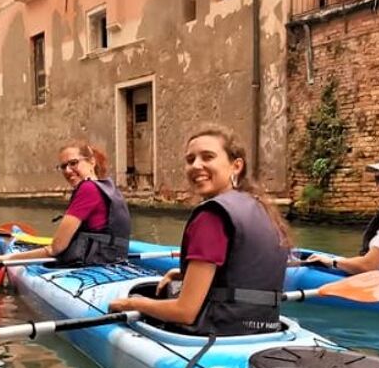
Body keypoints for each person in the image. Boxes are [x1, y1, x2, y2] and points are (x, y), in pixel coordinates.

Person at [108, 125, 290, 336]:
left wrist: (132, 304)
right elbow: (243, 272)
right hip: (266, 327)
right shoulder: (262, 208)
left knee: (143, 299)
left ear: (236, 166)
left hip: (219, 331)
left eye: (208, 157)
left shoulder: (211, 216)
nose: (196, 166)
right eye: (190, 159)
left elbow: (185, 312)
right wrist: (184, 274)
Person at [0, 140, 131, 266]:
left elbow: (55, 249)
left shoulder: (87, 188)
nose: (67, 170)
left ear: (91, 161)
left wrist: (7, 258)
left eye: (73, 163)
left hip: (90, 266)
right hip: (113, 261)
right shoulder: (108, 187)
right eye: (63, 166)